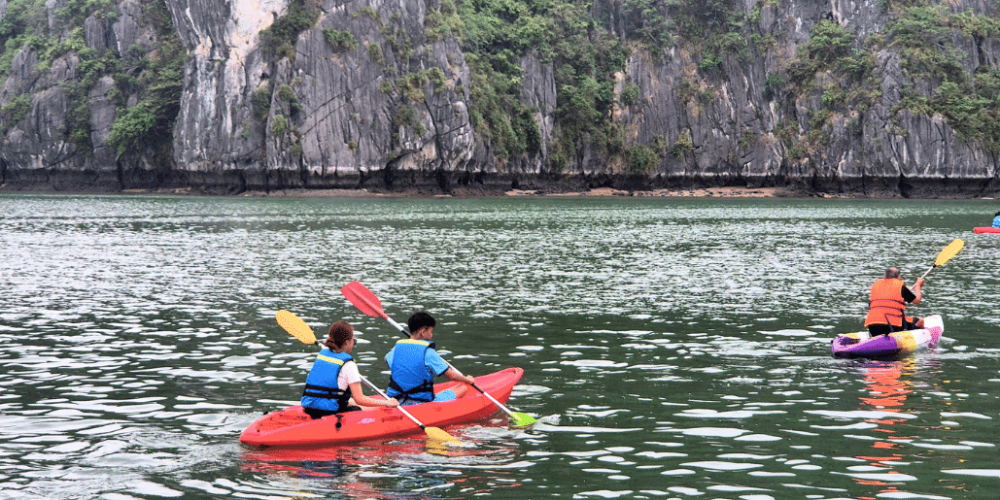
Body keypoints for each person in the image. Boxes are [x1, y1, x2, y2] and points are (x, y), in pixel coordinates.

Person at [301, 321, 399, 419]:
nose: (354, 342)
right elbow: (360, 399)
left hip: (310, 406)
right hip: (331, 411)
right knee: (374, 408)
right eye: (353, 340)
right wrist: (386, 403)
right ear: (347, 342)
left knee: (351, 401)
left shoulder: (322, 355)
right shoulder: (349, 365)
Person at [384, 311, 475, 406]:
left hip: (396, 400)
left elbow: (387, 359)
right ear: (423, 332)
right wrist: (468, 380)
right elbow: (451, 376)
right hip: (420, 403)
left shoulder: (397, 348)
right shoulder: (428, 353)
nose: (432, 335)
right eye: (431, 331)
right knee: (463, 387)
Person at [864, 267, 925, 336]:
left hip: (872, 326)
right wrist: (918, 286)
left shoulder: (876, 285)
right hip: (891, 326)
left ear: (884, 276)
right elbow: (917, 300)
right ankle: (910, 339)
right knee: (920, 320)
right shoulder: (899, 285)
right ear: (898, 278)